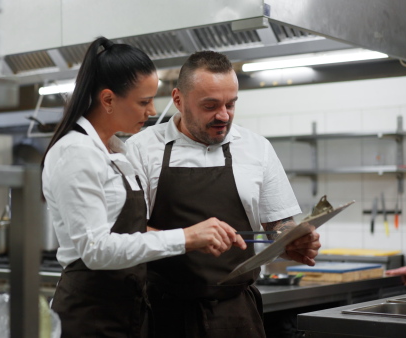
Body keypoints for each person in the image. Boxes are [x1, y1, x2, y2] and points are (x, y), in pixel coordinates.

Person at [41, 37, 246, 337]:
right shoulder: (76, 152)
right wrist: (185, 237)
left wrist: (201, 236)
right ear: (108, 99)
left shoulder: (117, 150)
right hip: (89, 317)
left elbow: (131, 231)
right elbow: (95, 250)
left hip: (129, 311)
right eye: (143, 101)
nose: (152, 110)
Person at [125, 50, 322, 338]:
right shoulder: (141, 149)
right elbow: (126, 232)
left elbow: (278, 225)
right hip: (162, 313)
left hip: (237, 314)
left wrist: (292, 241)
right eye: (210, 105)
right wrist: (187, 238)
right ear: (178, 100)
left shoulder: (256, 148)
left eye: (231, 104)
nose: (223, 115)